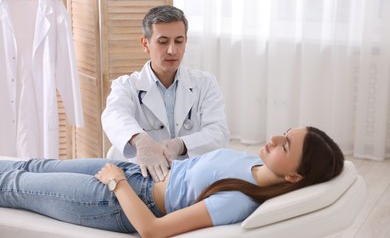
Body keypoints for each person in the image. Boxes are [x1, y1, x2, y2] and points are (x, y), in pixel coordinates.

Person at [0, 126, 344, 237]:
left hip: (117, 199)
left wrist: (118, 181)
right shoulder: (254, 161)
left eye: (284, 145)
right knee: (34, 164)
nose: (273, 138)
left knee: (15, 184)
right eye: (284, 134)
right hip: (135, 171)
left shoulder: (239, 200)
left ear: (294, 176)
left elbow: (152, 230)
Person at [101, 5, 230, 182]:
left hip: (192, 177)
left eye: (179, 41)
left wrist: (179, 145)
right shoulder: (126, 86)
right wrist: (140, 140)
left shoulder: (205, 83)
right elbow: (113, 115)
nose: (172, 50)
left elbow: (219, 133)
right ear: (145, 44)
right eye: (163, 42)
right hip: (141, 178)